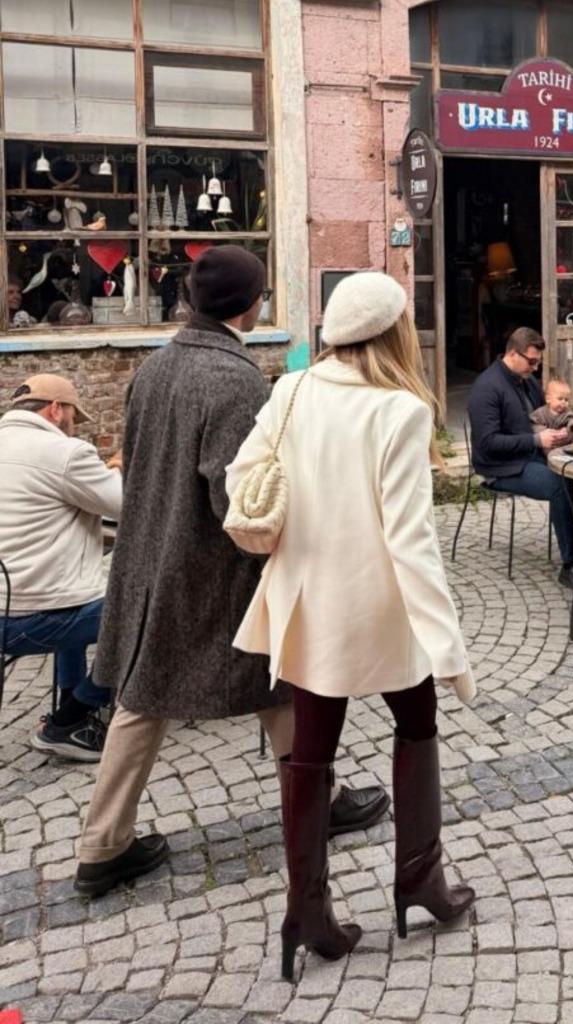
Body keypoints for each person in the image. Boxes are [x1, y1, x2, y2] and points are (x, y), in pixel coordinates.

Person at [73, 246, 387, 899]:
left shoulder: (155, 368)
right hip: (210, 573)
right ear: (252, 303)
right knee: (280, 678)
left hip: (149, 556)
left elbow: (135, 465)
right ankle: (314, 804)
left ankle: (103, 844)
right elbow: (237, 503)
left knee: (149, 696)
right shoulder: (236, 381)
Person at [228, 271, 475, 978]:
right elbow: (411, 540)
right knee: (417, 721)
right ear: (394, 333)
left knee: (310, 750)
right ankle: (419, 880)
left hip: (309, 599)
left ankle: (307, 910)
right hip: (379, 604)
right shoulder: (397, 411)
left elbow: (246, 477)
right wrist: (447, 644)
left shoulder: (294, 390)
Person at [0, 374, 119, 761]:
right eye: (72, 416)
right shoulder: (65, 453)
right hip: (31, 620)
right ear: (56, 409)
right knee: (149, 608)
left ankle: (70, 696)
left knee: (83, 582)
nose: (73, 426)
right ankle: (71, 718)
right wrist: (117, 466)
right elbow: (124, 504)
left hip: (7, 605)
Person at [467, 327, 573, 595]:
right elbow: (488, 444)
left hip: (532, 457)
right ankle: (570, 565)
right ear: (512, 354)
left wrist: (570, 429)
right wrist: (537, 441)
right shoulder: (486, 388)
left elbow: (549, 416)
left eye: (538, 362)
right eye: (532, 361)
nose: (536, 368)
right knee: (560, 484)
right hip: (501, 467)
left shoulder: (526, 380)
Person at [530, 379, 573, 445]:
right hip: (548, 442)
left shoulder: (566, 413)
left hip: (564, 441)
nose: (563, 402)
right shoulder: (541, 413)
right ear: (548, 399)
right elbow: (534, 424)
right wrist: (544, 430)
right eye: (560, 399)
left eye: (566, 400)